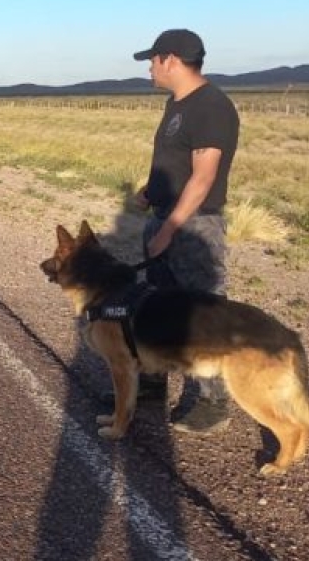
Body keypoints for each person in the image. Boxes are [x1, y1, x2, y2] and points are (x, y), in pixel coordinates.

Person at [130, 28, 241, 434]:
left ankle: (214, 404)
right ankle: (151, 384)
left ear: (171, 59)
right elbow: (172, 163)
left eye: (153, 60)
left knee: (201, 312)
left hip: (194, 227)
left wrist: (170, 230)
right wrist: (149, 194)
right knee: (157, 306)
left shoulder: (211, 107)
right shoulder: (176, 103)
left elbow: (203, 177)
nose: (150, 68)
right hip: (163, 216)